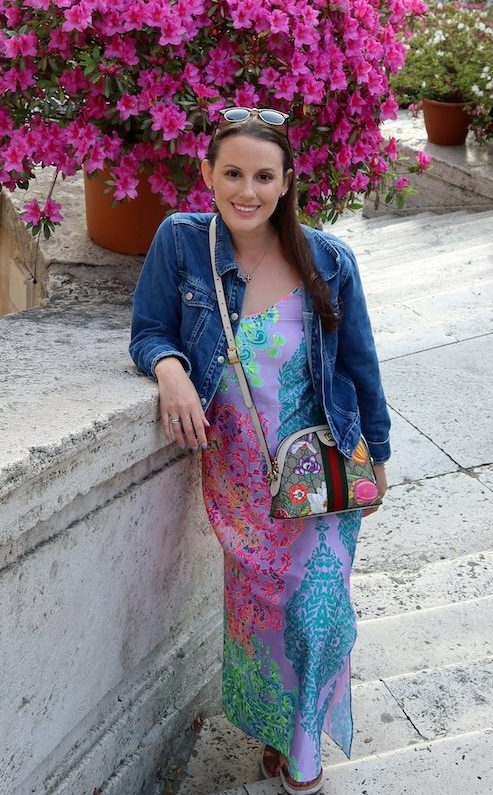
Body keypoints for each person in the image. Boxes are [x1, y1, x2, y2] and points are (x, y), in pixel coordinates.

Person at [130, 107, 389, 795]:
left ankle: (304, 747)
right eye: (233, 174)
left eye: (263, 176)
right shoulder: (182, 243)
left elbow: (359, 364)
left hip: (321, 463)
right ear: (207, 175)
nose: (247, 191)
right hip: (242, 477)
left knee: (319, 610)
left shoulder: (327, 259)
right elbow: (149, 327)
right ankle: (278, 731)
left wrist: (379, 453)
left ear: (285, 181)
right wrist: (170, 369)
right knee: (263, 615)